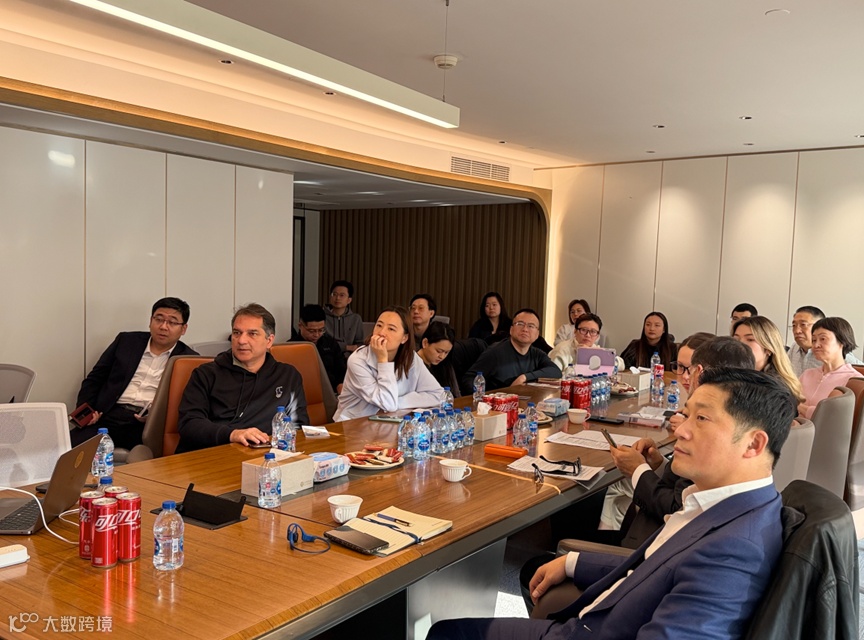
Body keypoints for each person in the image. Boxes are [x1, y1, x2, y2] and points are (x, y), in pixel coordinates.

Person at [430, 367, 794, 640]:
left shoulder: (735, 550)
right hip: (587, 621)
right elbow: (653, 567)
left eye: (701, 418)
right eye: (687, 414)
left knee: (447, 634)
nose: (681, 429)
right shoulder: (721, 504)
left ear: (753, 444)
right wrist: (572, 562)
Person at [176, 303, 309, 452]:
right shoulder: (206, 374)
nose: (241, 340)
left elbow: (298, 426)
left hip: (266, 455)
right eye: (237, 333)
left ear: (269, 340)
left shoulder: (287, 375)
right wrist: (233, 434)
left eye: (252, 334)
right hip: (213, 453)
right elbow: (189, 424)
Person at [71, 297, 198, 449]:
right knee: (67, 449)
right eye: (159, 319)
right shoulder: (126, 341)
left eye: (172, 322)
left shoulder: (187, 359)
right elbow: (95, 379)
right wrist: (87, 412)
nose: (164, 326)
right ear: (150, 321)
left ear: (183, 329)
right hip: (108, 416)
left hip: (148, 425)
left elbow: (187, 402)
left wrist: (157, 416)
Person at [334, 306, 444, 420]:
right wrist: (383, 360)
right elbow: (388, 404)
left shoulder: (411, 358)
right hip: (353, 424)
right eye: (379, 325)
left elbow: (438, 395)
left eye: (391, 329)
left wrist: (399, 402)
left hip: (389, 422)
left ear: (404, 338)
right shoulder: (358, 360)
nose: (382, 333)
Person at [461, 309, 561, 391]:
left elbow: (556, 371)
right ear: (511, 329)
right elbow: (469, 379)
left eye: (531, 326)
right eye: (520, 324)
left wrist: (524, 377)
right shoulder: (495, 352)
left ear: (537, 334)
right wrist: (484, 398)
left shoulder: (537, 354)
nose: (525, 329)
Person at [799, 316, 862, 419]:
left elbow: (829, 417)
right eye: (814, 340)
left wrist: (799, 406)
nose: (816, 345)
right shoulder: (807, 374)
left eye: (823, 339)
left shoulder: (854, 380)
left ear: (842, 342)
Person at [732, 315, 804, 402]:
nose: (740, 344)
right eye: (736, 339)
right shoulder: (732, 377)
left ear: (768, 348)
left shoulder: (774, 387)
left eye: (750, 339)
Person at [788, 305, 863, 376]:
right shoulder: (794, 347)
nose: (797, 331)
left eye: (803, 325)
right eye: (794, 325)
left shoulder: (838, 354)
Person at [288, 304, 346, 394]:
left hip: (331, 391)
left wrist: (340, 384)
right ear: (300, 326)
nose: (317, 335)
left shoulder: (330, 343)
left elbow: (341, 370)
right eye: (311, 331)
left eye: (321, 330)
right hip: (300, 392)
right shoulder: (290, 347)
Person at [418, 322, 461, 395]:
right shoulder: (412, 365)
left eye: (446, 352)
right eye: (439, 351)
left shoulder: (444, 364)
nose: (442, 356)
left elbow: (454, 394)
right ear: (425, 343)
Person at [324, 280, 364, 353]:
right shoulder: (322, 317)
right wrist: (347, 347)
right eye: (334, 294)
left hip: (350, 357)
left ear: (349, 300)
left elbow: (360, 344)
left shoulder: (356, 318)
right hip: (327, 355)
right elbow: (323, 343)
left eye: (342, 295)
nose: (337, 298)